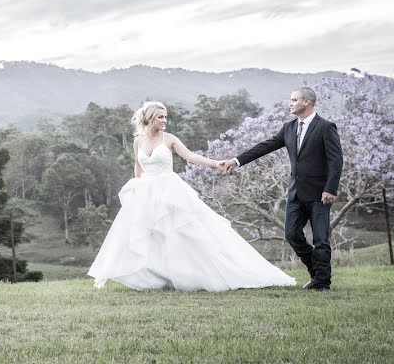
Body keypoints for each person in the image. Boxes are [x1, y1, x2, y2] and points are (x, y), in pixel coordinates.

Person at [87, 101, 296, 291]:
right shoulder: (138, 141)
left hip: (169, 190)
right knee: (150, 235)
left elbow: (190, 156)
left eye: (166, 117)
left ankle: (196, 275)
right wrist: (137, 189)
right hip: (146, 191)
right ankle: (158, 277)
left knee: (183, 233)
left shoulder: (169, 139)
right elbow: (137, 165)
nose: (165, 120)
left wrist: (215, 163)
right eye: (161, 116)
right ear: (149, 117)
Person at [224, 87, 343, 290]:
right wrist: (237, 160)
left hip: (319, 194)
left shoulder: (325, 127)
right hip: (295, 193)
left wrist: (330, 189)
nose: (290, 103)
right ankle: (317, 272)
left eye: (294, 100)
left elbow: (336, 160)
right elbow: (266, 146)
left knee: (321, 239)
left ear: (307, 102)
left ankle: (322, 283)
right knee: (292, 234)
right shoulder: (288, 127)